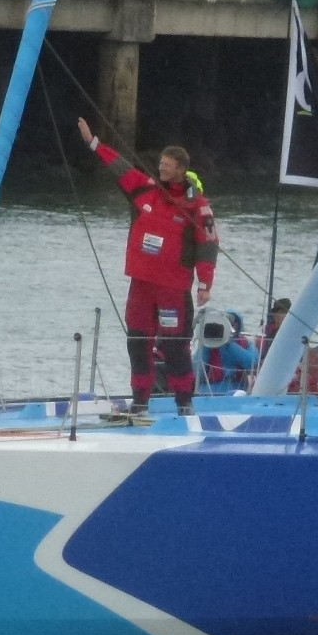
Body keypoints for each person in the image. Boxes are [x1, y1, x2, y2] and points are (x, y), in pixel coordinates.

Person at [78, 117, 218, 414]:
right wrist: (94, 143)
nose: (162, 168)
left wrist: (205, 284)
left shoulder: (197, 206)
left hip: (173, 289)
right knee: (138, 343)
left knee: (174, 346)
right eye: (161, 163)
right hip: (141, 285)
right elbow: (120, 168)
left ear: (180, 170)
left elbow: (208, 245)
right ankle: (140, 402)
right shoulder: (145, 190)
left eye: (167, 164)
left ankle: (184, 404)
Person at [194, 309, 259, 394]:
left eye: (232, 323)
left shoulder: (246, 344)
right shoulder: (207, 345)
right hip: (210, 388)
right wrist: (206, 345)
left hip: (237, 387)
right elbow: (196, 371)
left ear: (238, 325)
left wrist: (229, 345)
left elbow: (252, 363)